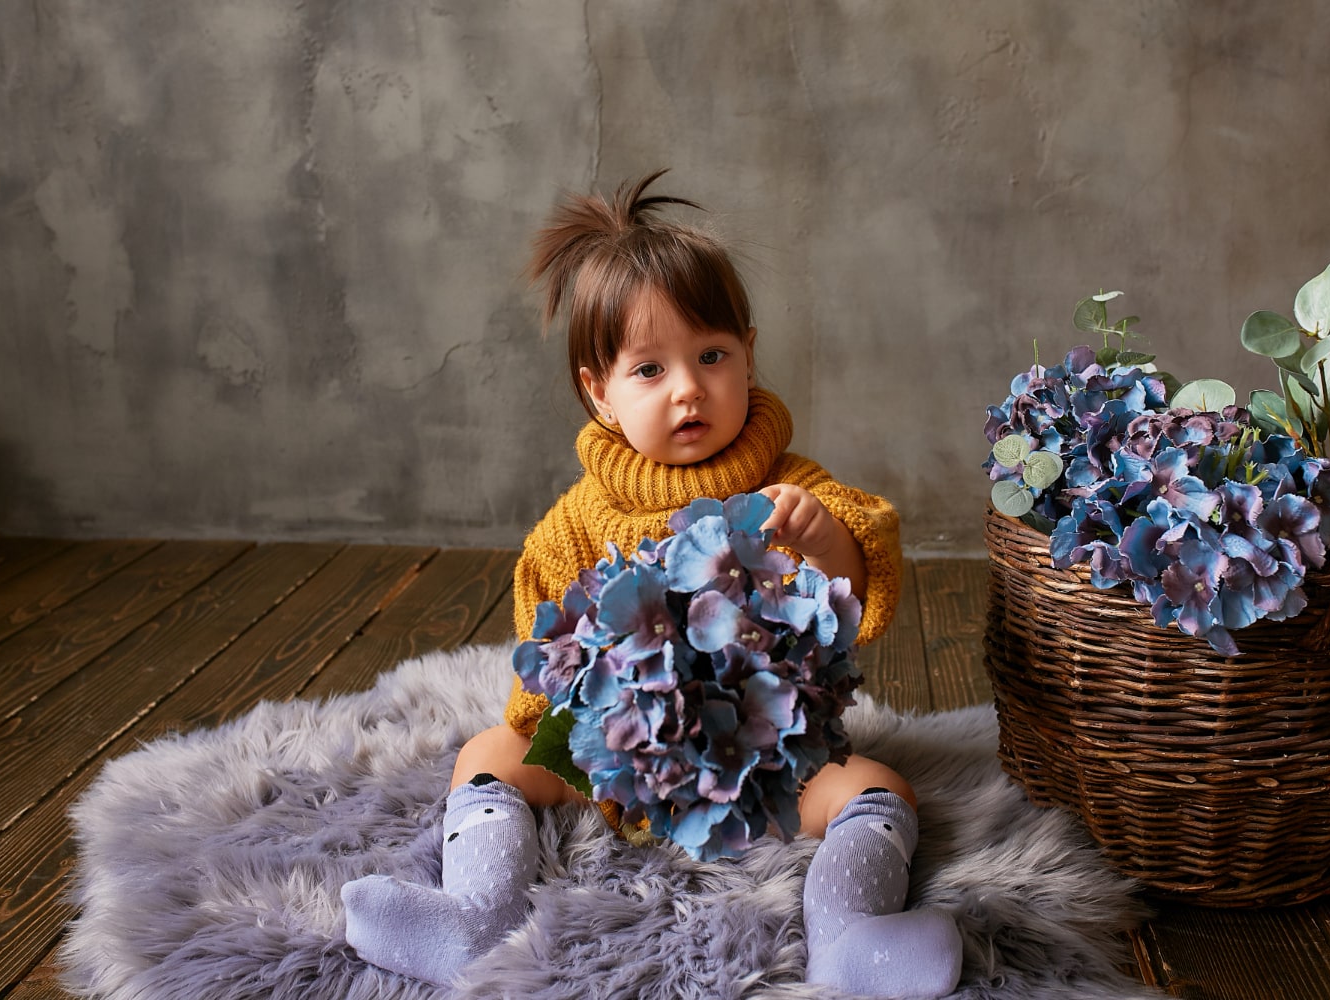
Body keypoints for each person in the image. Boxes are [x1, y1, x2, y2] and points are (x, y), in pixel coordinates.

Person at [340, 171, 962, 998]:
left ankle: (850, 936)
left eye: (712, 356)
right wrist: (594, 706)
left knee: (879, 789)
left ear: (747, 351)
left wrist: (822, 537)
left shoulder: (789, 486)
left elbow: (856, 599)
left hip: (765, 762)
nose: (688, 388)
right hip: (614, 767)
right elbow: (545, 645)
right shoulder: (576, 520)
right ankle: (474, 916)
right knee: (489, 753)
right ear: (598, 392)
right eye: (649, 369)